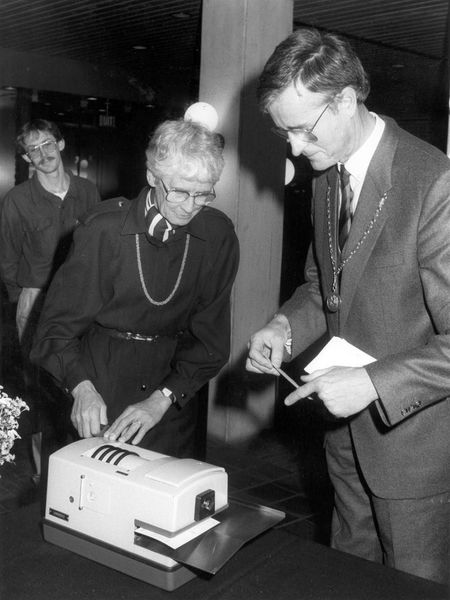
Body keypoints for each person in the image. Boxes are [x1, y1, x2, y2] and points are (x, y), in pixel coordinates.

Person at [246, 28, 450, 585]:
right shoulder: (327, 177)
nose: (293, 149)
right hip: (345, 436)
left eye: (301, 129)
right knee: (346, 576)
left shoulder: (433, 183)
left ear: (344, 100)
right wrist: (284, 326)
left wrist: (372, 384)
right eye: (283, 131)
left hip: (413, 452)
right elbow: (323, 286)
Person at [31, 119, 239, 459]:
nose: (190, 206)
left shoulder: (218, 237)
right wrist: (81, 388)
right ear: (153, 177)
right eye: (180, 191)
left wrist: (163, 399)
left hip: (171, 396)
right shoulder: (104, 231)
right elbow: (55, 330)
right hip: (97, 385)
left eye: (204, 193)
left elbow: (210, 342)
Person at [0, 118, 101, 478]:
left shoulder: (87, 192)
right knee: (41, 394)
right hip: (36, 305)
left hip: (82, 304)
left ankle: (81, 470)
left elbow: (99, 248)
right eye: (33, 149)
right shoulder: (17, 200)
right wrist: (25, 303)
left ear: (60, 145)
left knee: (80, 382)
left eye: (47, 144)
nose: (42, 154)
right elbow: (8, 261)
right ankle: (45, 479)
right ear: (27, 158)